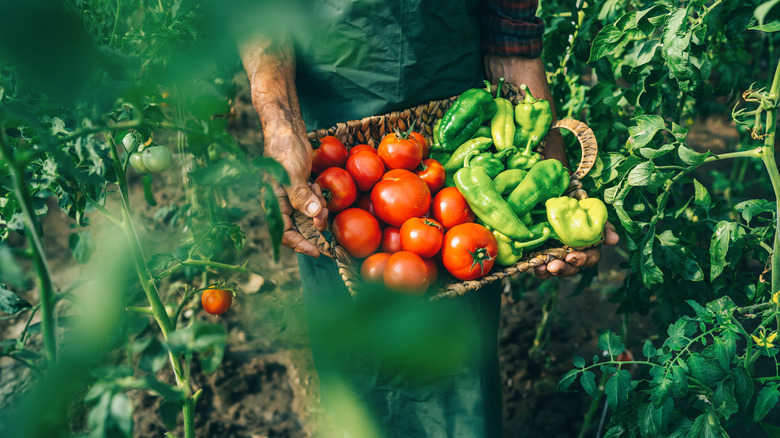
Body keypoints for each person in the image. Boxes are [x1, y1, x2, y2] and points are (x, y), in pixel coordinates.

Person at [236, 1, 619, 436]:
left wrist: (554, 178)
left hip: (450, 131)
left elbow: (512, 35)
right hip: (333, 134)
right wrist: (281, 125)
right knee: (356, 346)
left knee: (455, 360)